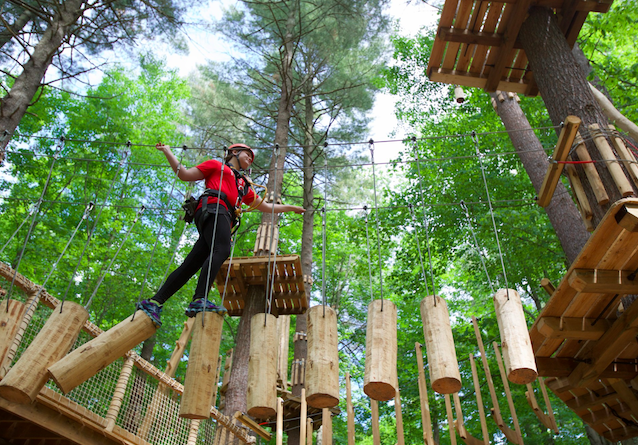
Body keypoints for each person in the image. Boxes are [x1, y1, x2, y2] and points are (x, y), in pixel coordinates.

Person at [136, 143, 305, 327]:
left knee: (191, 264)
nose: (250, 160)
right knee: (222, 249)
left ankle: (154, 302)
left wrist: (290, 208)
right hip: (215, 208)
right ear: (234, 152)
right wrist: (168, 151)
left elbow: (264, 206)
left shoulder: (243, 185)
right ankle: (199, 298)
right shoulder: (217, 166)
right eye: (247, 155)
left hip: (221, 215)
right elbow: (184, 174)